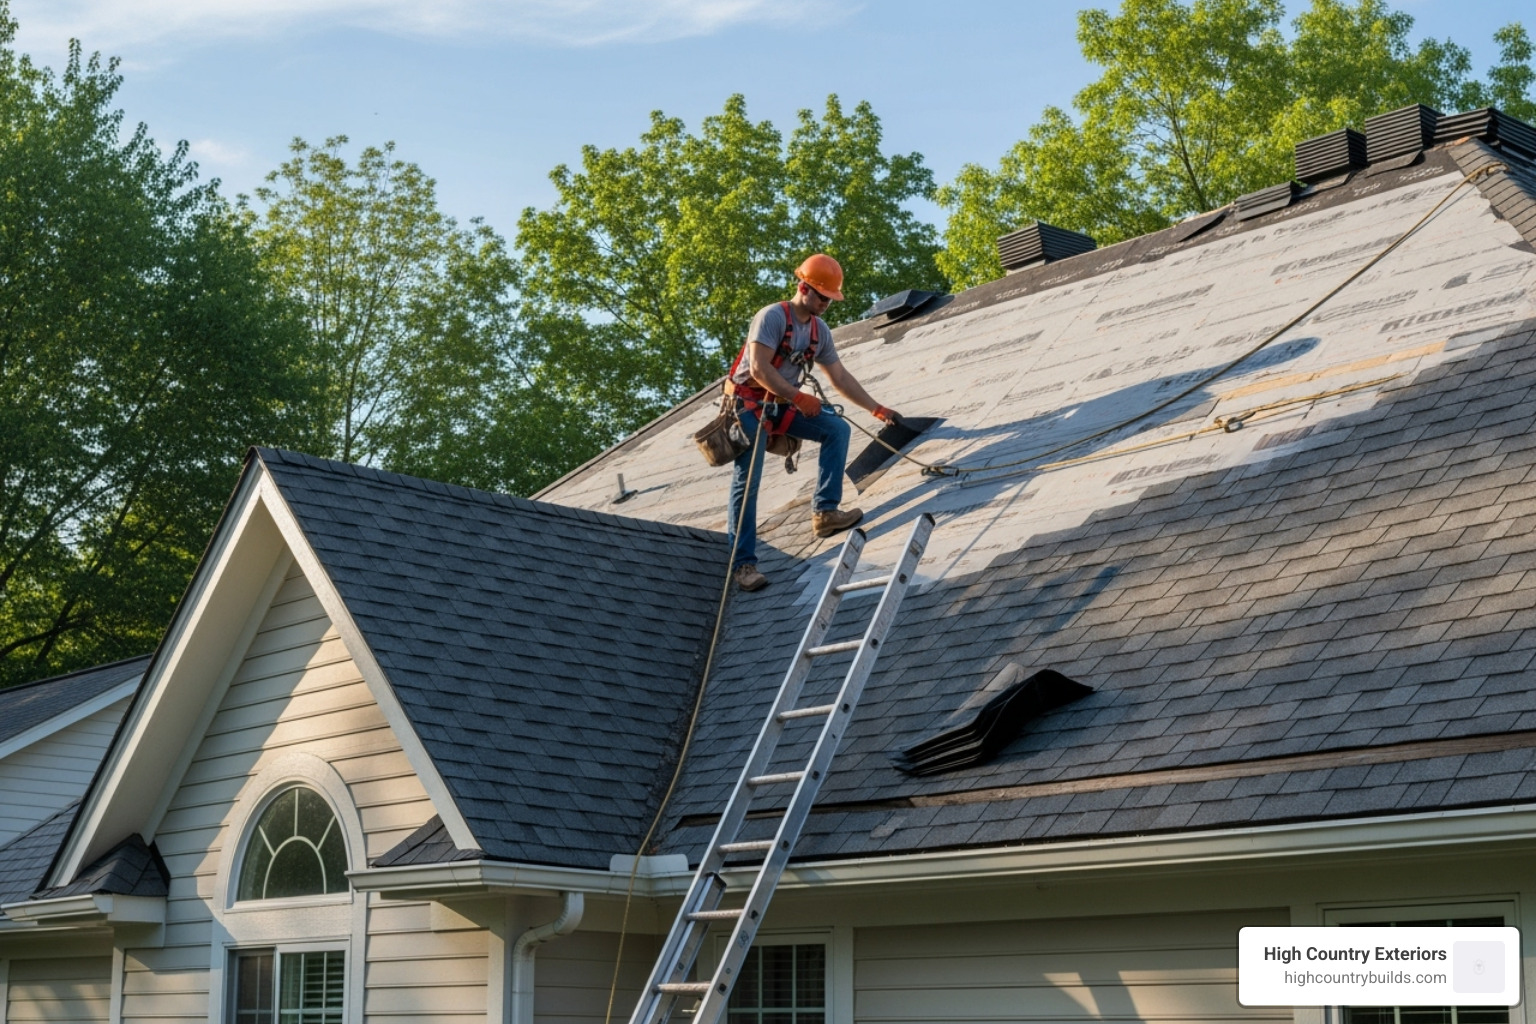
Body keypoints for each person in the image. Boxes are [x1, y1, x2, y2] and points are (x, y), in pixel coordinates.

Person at [726, 254, 901, 592]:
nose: (825, 305)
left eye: (830, 299)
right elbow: (760, 369)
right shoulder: (772, 317)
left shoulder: (820, 331)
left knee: (837, 429)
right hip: (748, 406)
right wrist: (798, 397)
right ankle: (744, 565)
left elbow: (839, 377)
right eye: (822, 297)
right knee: (748, 484)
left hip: (781, 403)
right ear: (803, 287)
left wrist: (875, 409)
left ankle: (825, 512)